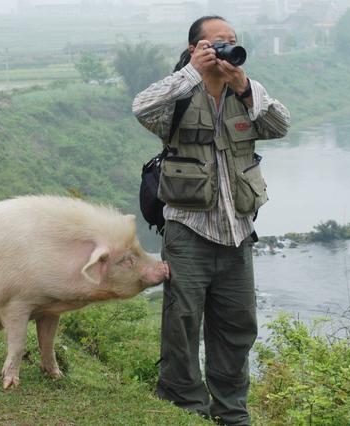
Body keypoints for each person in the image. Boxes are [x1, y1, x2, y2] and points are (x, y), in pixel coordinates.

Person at [132, 16, 290, 426]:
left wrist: (244, 86)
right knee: (182, 325)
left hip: (238, 232)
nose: (226, 50)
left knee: (237, 328)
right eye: (217, 43)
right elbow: (141, 107)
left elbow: (281, 125)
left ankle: (232, 412)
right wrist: (192, 72)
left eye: (232, 43)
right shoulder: (179, 96)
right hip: (189, 231)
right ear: (194, 48)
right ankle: (185, 409)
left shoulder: (246, 94)